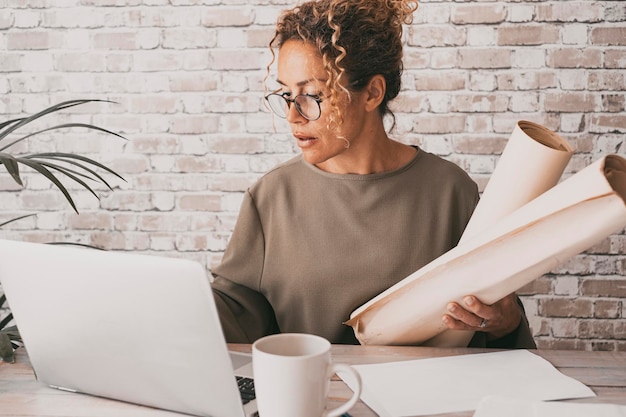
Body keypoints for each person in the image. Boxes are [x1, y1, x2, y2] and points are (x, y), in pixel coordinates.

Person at [211, 0, 536, 349]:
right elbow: (234, 317)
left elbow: (499, 325)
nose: (293, 116)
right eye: (287, 95)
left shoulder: (450, 191)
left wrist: (505, 321)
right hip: (316, 397)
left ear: (372, 93)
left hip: (426, 399)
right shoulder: (271, 197)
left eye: (312, 96)